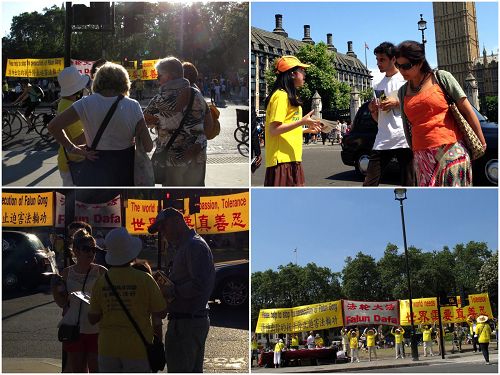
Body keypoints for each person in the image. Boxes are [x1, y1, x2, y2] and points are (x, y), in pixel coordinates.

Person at [395, 40, 486, 186]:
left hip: (451, 150)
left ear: (419, 62)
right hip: (421, 156)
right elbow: (407, 125)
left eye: (406, 66)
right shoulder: (402, 91)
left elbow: (467, 110)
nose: (401, 70)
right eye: (398, 65)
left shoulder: (441, 77)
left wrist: (481, 141)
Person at [48, 62, 153, 186]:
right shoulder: (133, 105)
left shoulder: (85, 103)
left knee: (96, 203)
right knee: (123, 202)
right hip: (125, 167)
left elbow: (53, 126)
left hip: (95, 165)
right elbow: (148, 147)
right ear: (124, 82)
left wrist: (73, 148)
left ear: (97, 81)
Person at [88, 227, 167, 373]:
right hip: (138, 348)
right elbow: (161, 312)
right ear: (131, 254)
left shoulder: (101, 282)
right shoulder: (145, 279)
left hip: (108, 348)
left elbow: (92, 318)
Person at [148, 207, 215, 373]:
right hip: (188, 321)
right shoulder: (187, 245)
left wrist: (170, 291)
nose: (162, 233)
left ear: (177, 222)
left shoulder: (193, 246)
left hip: (186, 324)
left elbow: (198, 284)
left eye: (163, 227)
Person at [144, 57, 208, 186]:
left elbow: (146, 121)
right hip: (197, 156)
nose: (157, 79)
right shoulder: (198, 94)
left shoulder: (160, 99)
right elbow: (209, 125)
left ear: (169, 76)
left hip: (173, 159)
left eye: (159, 75)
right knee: (195, 198)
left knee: (175, 197)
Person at [51, 229, 107, 373]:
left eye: (93, 249)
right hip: (73, 327)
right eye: (86, 249)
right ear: (75, 251)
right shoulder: (66, 273)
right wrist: (54, 288)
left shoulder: (101, 272)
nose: (90, 253)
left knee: (96, 368)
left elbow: (108, 300)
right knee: (77, 369)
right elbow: (62, 303)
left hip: (96, 327)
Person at [263, 55, 322, 186]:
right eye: (302, 70)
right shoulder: (281, 96)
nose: (305, 74)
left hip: (292, 158)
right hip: (282, 161)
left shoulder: (289, 96)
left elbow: (286, 127)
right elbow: (273, 130)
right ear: (292, 74)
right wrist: (302, 122)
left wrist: (306, 130)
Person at [365, 42, 414, 187]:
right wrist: (373, 110)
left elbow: (417, 106)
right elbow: (378, 119)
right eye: (377, 60)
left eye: (382, 60)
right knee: (369, 183)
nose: (378, 63)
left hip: (403, 138)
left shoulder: (406, 80)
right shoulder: (378, 85)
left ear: (393, 59)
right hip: (383, 139)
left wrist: (397, 103)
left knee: (409, 184)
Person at [54, 66, 89, 186]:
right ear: (78, 88)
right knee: (74, 201)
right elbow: (78, 139)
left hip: (69, 160)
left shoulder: (65, 103)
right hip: (73, 163)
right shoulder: (69, 106)